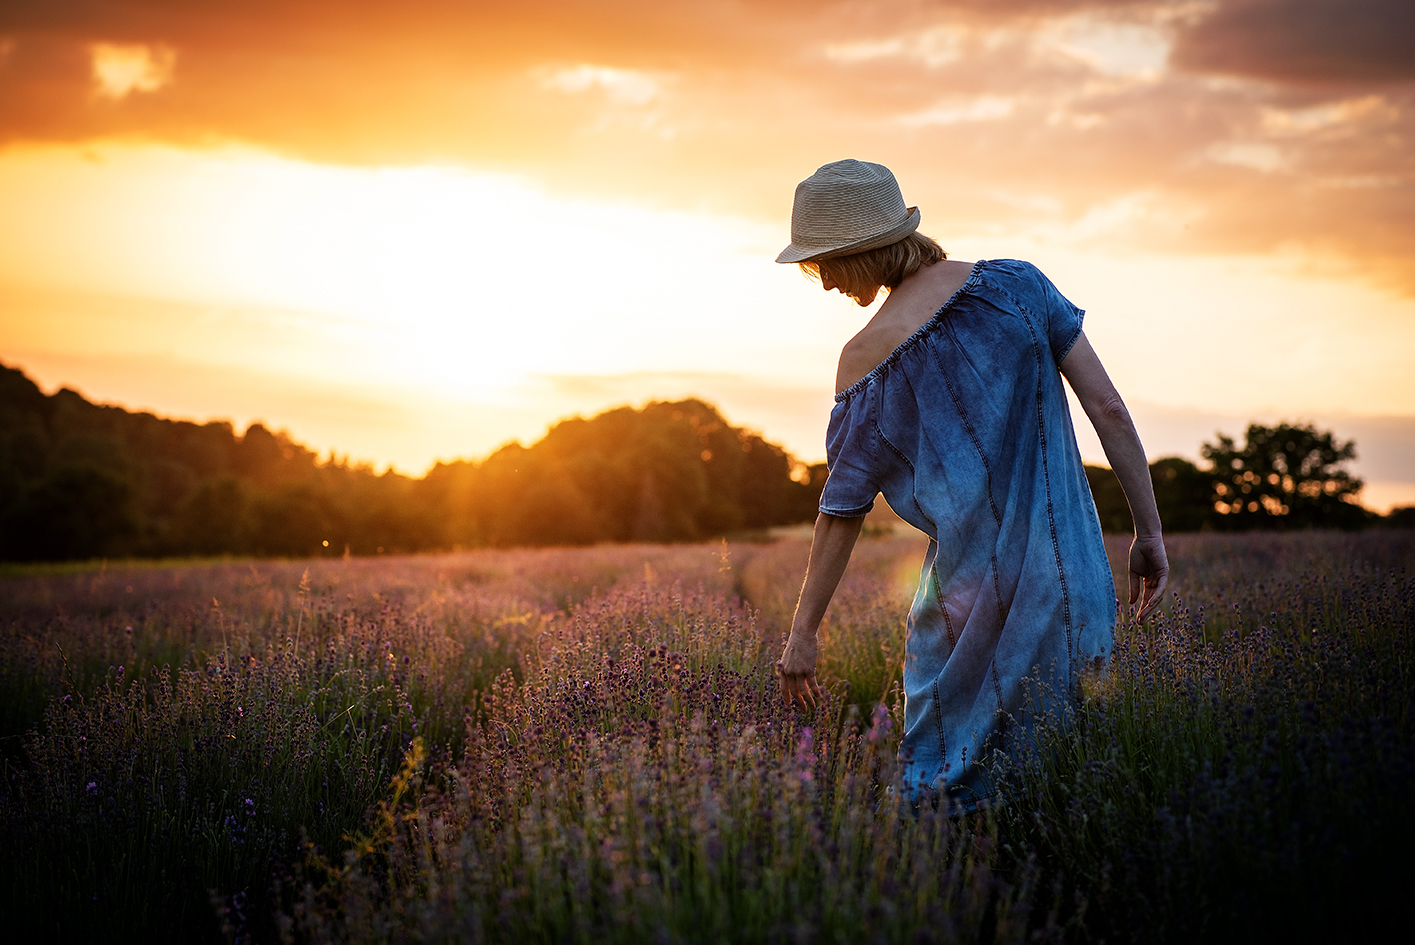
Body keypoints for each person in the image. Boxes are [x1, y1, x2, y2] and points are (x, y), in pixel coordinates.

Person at [773, 159, 1169, 809]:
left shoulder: (865, 356)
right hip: (1073, 580)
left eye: (825, 265)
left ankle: (963, 907)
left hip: (966, 608)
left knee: (945, 794)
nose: (824, 286)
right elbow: (1110, 411)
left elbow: (840, 510)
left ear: (863, 249)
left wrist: (802, 631)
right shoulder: (1019, 286)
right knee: (1073, 781)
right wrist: (1148, 532)